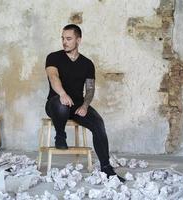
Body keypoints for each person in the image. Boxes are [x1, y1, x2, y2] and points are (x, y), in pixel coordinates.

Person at [44, 24, 125, 182]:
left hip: (77, 105)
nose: (64, 42)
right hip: (55, 103)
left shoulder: (87, 64)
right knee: (61, 105)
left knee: (98, 123)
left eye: (69, 39)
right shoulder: (53, 57)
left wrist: (85, 105)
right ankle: (60, 135)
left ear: (78, 40)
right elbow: (53, 77)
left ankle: (106, 168)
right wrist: (62, 94)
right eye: (63, 38)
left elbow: (90, 89)